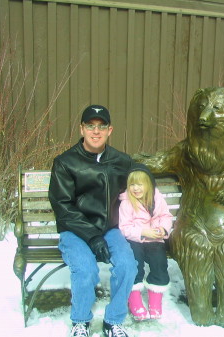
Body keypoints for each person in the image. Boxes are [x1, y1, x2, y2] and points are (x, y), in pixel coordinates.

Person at [49, 104, 137, 337]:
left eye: (101, 126)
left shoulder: (122, 161)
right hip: (75, 230)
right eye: (90, 126)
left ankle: (114, 320)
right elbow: (63, 207)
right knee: (86, 269)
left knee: (128, 265)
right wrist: (92, 236)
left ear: (110, 130)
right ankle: (80, 321)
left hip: (109, 229)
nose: (95, 131)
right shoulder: (65, 162)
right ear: (82, 129)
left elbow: (140, 189)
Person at [118, 164, 173, 320]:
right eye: (132, 185)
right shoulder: (126, 202)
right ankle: (134, 298)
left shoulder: (157, 198)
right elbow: (124, 227)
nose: (136, 188)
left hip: (155, 238)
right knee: (135, 264)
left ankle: (155, 298)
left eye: (140, 184)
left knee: (159, 263)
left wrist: (163, 229)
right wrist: (142, 232)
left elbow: (166, 216)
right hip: (135, 239)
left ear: (148, 184)